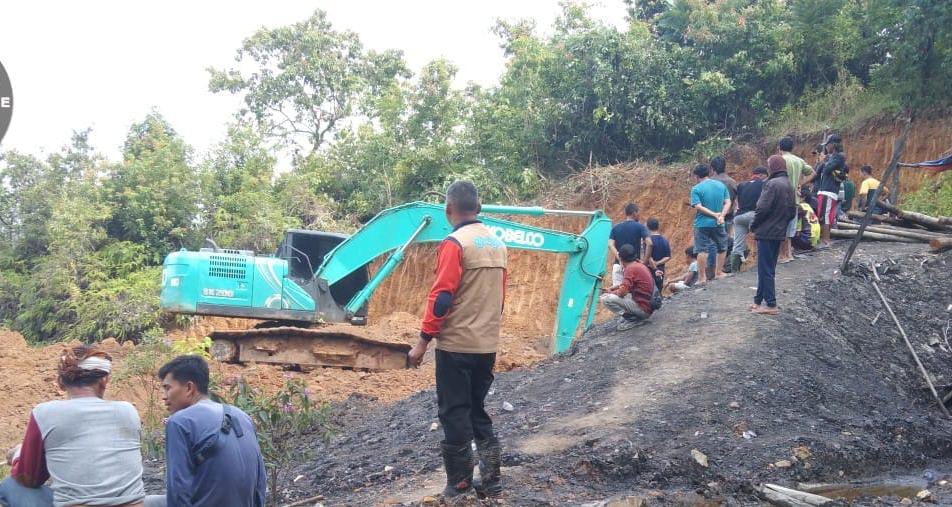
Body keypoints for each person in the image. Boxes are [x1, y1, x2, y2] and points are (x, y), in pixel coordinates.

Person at [407, 180, 507, 499]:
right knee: (477, 409)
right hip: (487, 345)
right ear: (478, 208)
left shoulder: (455, 243)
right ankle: (491, 479)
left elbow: (442, 297)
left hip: (457, 346)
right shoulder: (498, 244)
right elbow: (500, 298)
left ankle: (460, 482)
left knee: (454, 412)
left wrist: (423, 341)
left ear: (448, 209)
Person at [1, 345, 150, 507]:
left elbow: (28, 478)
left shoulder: (45, 413)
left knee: (10, 486)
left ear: (60, 383)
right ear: (104, 380)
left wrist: (18, 454)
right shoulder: (129, 411)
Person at [159, 355, 267, 506]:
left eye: (167, 388)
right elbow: (260, 481)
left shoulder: (180, 422)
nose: (164, 397)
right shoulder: (242, 416)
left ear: (189, 388)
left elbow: (178, 490)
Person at [749, 155, 796, 315]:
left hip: (766, 232)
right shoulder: (788, 184)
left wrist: (754, 225)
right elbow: (792, 211)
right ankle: (758, 300)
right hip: (778, 232)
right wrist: (781, 224)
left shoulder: (771, 184)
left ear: (772, 167)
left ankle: (771, 304)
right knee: (767, 267)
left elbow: (761, 208)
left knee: (765, 269)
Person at [689, 164, 731, 281]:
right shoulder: (720, 185)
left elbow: (698, 206)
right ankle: (718, 272)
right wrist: (721, 215)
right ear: (709, 173)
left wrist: (713, 214)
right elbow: (728, 202)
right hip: (718, 222)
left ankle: (702, 278)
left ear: (696, 176)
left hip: (702, 224)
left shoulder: (696, 189)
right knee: (722, 246)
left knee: (701, 250)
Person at [600, 244, 655, 330]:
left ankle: (632, 318)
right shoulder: (639, 265)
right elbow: (627, 285)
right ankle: (632, 315)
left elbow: (622, 293)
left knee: (605, 298)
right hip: (648, 306)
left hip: (644, 310)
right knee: (617, 295)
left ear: (621, 259)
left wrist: (610, 292)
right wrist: (613, 288)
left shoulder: (630, 269)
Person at [778, 136, 815, 263]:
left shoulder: (780, 160)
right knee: (790, 228)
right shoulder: (799, 160)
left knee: (781, 227)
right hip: (795, 199)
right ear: (792, 148)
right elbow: (813, 173)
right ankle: (789, 255)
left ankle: (783, 256)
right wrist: (801, 183)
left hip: (782, 198)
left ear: (779, 148)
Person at [730, 166, 768, 272]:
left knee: (737, 244)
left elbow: (735, 200)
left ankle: (734, 271)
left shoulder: (741, 185)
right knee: (760, 239)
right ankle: (758, 265)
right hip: (753, 214)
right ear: (761, 175)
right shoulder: (764, 184)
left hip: (739, 217)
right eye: (765, 176)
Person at [814, 135, 848, 249]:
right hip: (827, 190)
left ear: (832, 145)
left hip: (828, 190)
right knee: (826, 215)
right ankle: (825, 239)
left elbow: (827, 169)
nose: (826, 148)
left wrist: (824, 160)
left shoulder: (838, 157)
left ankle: (826, 240)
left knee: (825, 216)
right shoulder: (834, 157)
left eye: (827, 145)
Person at [608, 203, 653, 285]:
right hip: (634, 266)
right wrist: (644, 262)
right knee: (633, 295)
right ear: (634, 213)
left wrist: (619, 257)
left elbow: (610, 244)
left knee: (617, 293)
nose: (639, 215)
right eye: (638, 212)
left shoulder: (615, 227)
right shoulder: (640, 227)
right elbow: (649, 243)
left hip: (618, 265)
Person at [710, 156, 738, 271]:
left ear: (712, 168)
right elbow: (736, 200)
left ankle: (712, 269)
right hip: (728, 216)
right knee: (725, 242)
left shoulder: (710, 182)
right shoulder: (732, 182)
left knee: (712, 244)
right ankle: (724, 268)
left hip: (712, 216)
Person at [645, 218, 671, 290]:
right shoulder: (664, 240)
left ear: (647, 227)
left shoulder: (648, 241)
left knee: (649, 289)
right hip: (661, 268)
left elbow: (648, 256)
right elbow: (668, 257)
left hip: (649, 268)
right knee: (659, 289)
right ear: (658, 226)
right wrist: (658, 263)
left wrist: (654, 266)